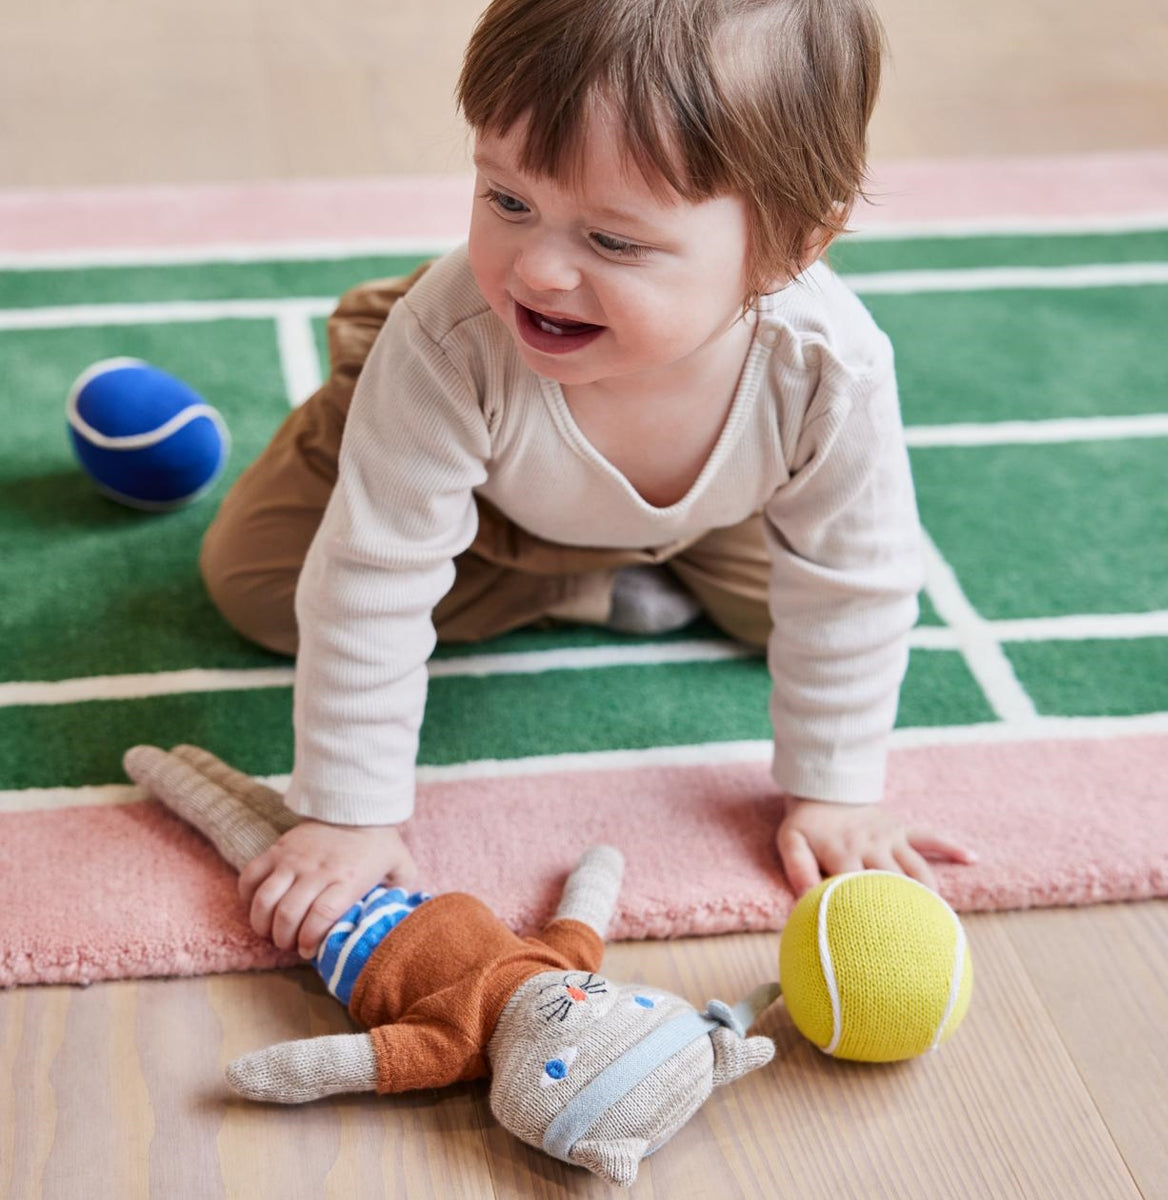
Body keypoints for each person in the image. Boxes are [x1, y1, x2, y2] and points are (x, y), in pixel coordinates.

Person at [200, 0, 976, 960]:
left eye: (613, 241)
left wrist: (835, 790)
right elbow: (375, 573)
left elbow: (855, 581)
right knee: (260, 583)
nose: (537, 270)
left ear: (793, 246)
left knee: (797, 617)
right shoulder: (453, 339)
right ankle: (573, 579)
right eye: (508, 201)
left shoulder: (828, 369)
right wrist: (351, 813)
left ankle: (596, 579)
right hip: (473, 484)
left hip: (705, 504)